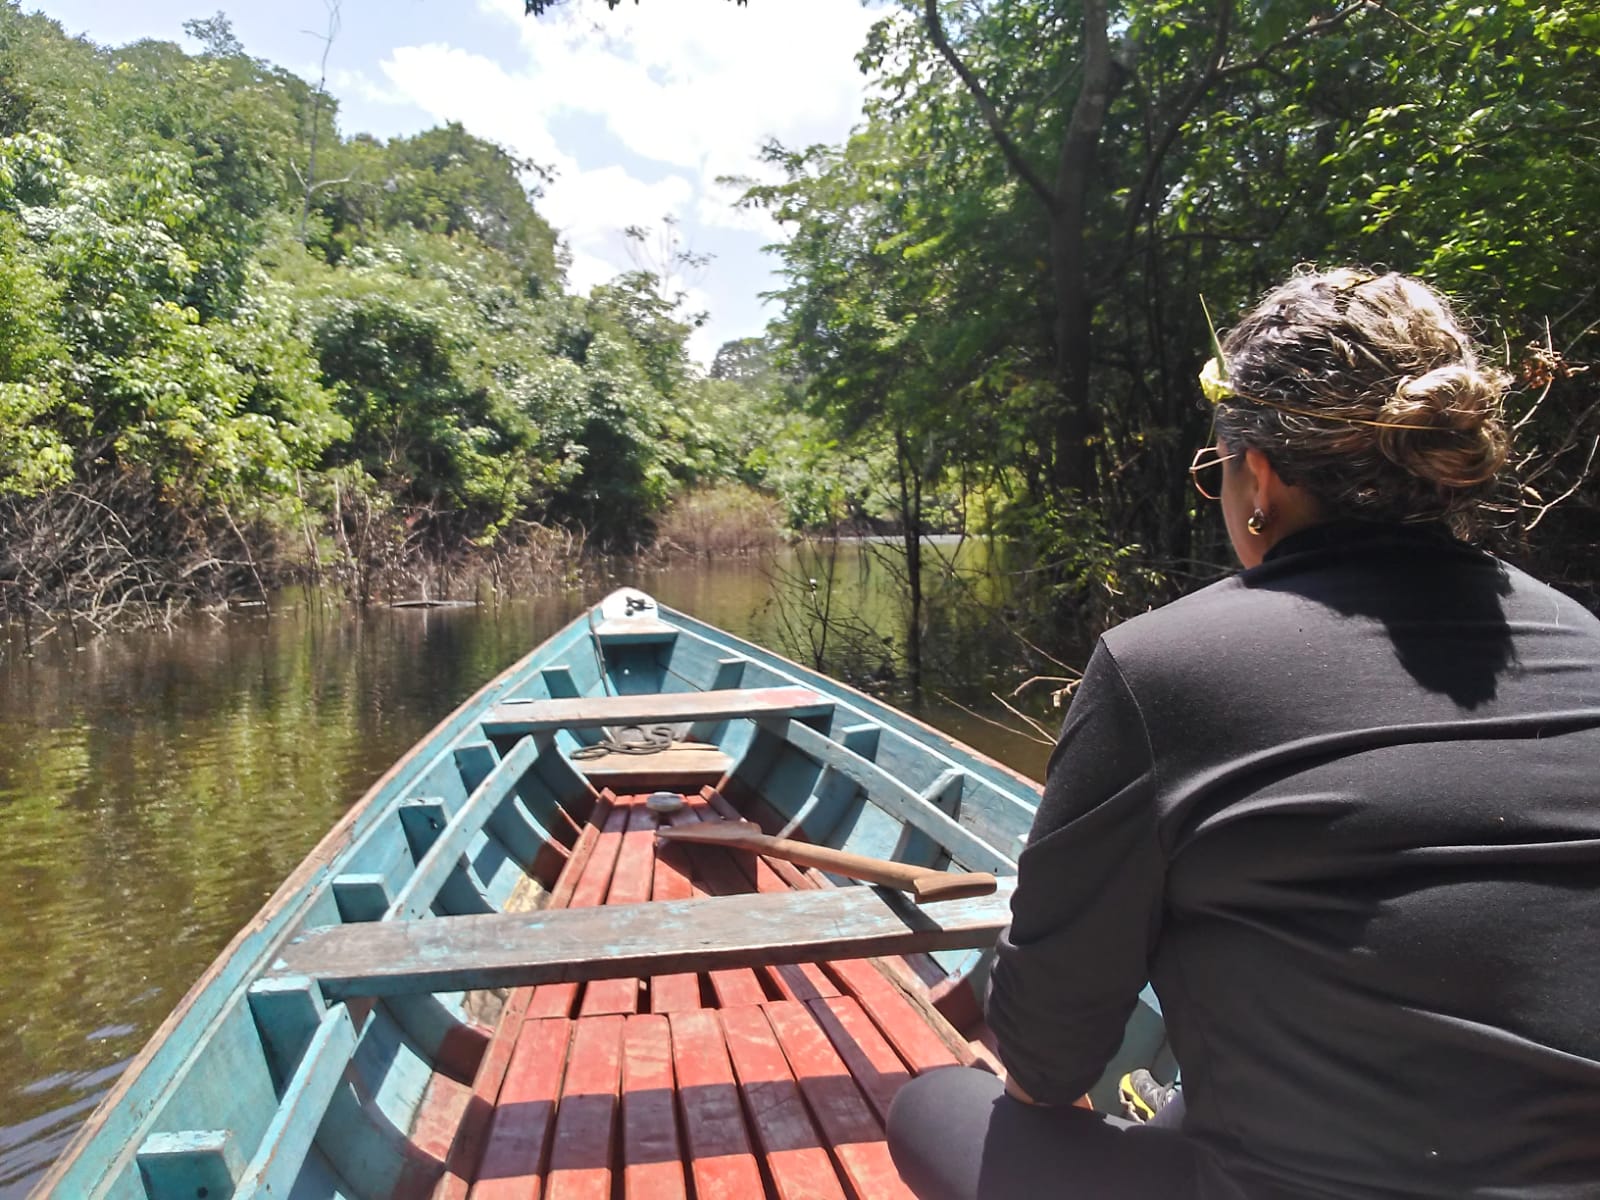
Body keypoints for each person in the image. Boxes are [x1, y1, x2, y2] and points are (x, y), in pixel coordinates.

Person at [886, 268, 1600, 1199]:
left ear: (1257, 474)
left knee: (934, 1108)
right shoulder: (1586, 643)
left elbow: (1045, 1065)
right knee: (1179, 1112)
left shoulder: (1162, 668)